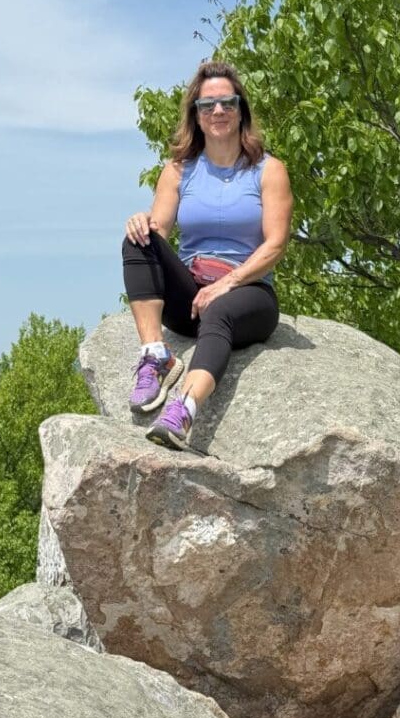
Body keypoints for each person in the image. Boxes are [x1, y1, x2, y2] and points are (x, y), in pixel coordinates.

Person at [122, 60, 293, 450]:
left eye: (227, 103)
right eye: (208, 105)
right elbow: (160, 231)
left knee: (220, 310)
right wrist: (141, 223)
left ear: (241, 111)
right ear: (196, 116)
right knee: (137, 237)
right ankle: (155, 357)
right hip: (190, 291)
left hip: (248, 290)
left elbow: (276, 244)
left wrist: (227, 284)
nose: (218, 111)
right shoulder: (179, 171)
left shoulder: (269, 171)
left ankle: (183, 410)